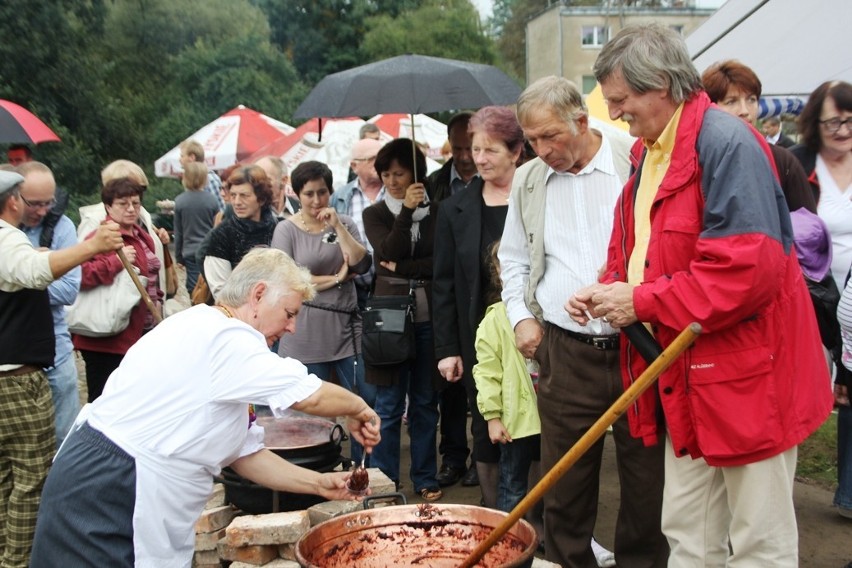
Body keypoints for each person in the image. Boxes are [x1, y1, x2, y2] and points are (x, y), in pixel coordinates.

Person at [568, 23, 834, 566]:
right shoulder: (651, 151)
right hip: (690, 376)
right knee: (689, 531)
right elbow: (643, 242)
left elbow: (745, 273)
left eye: (621, 100)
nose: (615, 113)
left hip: (750, 379)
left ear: (660, 84)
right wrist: (609, 284)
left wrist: (640, 302)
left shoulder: (725, 142)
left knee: (758, 539)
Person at [30, 248, 382, 568]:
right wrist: (360, 408)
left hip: (113, 480)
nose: (291, 327)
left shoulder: (211, 334)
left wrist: (320, 484)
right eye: (289, 314)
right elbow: (309, 395)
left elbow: (244, 453)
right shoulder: (223, 337)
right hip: (109, 488)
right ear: (258, 294)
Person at [499, 75, 655, 568]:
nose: (541, 150)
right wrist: (523, 318)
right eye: (531, 140)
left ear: (582, 122)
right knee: (564, 487)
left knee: (649, 486)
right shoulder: (528, 180)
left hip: (642, 348)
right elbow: (514, 261)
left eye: (551, 137)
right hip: (565, 352)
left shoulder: (639, 159)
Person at [0, 169, 123, 568]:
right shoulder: (5, 237)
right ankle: (18, 563)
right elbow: (34, 272)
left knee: (5, 478)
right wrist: (94, 247)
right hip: (15, 380)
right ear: (13, 200)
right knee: (33, 479)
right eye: (26, 198)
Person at [432, 106, 524, 502]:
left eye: (490, 150)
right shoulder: (455, 209)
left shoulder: (538, 194)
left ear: (516, 151)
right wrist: (448, 349)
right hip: (480, 336)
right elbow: (445, 283)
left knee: (535, 425)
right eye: (475, 149)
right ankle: (494, 515)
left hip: (534, 329)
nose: (478, 159)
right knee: (486, 420)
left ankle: (536, 517)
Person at [270, 160, 375, 465]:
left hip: (346, 326)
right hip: (304, 330)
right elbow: (286, 276)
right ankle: (312, 471)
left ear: (331, 192)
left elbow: (360, 263)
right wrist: (336, 279)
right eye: (309, 194)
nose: (317, 201)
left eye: (322, 193)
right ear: (297, 195)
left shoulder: (343, 222)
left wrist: (338, 227)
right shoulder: (285, 229)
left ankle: (365, 468)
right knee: (303, 409)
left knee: (364, 400)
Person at [363, 138, 442, 502]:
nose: (392, 181)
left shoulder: (437, 212)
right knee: (390, 404)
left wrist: (406, 269)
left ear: (416, 173)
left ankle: (425, 477)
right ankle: (384, 480)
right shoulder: (375, 214)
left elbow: (439, 262)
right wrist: (406, 212)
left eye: (399, 173)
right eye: (386, 174)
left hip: (428, 317)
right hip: (390, 319)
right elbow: (387, 252)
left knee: (425, 402)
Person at [790, 80, 852, 523]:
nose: (843, 130)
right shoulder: (798, 163)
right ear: (816, 123)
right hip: (812, 296)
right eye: (834, 121)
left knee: (850, 389)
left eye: (850, 121)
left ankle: (847, 491)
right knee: (810, 381)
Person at [74, 177, 165, 402]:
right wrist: (115, 262)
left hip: (140, 332)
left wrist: (160, 302)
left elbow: (152, 275)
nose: (131, 209)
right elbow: (79, 275)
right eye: (123, 204)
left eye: (135, 203)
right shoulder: (100, 237)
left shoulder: (141, 234)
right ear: (108, 206)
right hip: (107, 338)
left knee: (136, 398)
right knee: (104, 400)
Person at [427, 110, 480, 488]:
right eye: (458, 148)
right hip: (445, 289)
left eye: (469, 147)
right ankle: (453, 456)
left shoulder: (491, 180)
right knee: (449, 386)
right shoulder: (432, 185)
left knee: (480, 386)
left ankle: (482, 457)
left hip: (478, 290)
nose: (464, 156)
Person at [472, 240, 542, 525]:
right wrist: (493, 417)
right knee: (512, 484)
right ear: (499, 272)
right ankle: (507, 538)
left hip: (550, 416)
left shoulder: (549, 310)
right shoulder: (494, 321)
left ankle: (543, 533)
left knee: (554, 480)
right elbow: (486, 373)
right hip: (516, 423)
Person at [16, 161, 81, 446]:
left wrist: (19, 278)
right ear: (14, 197)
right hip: (13, 355)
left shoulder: (63, 226)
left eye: (48, 202)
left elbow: (68, 290)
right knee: (21, 442)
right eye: (34, 204)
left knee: (65, 438)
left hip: (57, 351)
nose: (42, 211)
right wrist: (39, 268)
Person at [700, 60, 816, 214]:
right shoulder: (699, 162)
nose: (744, 110)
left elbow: (809, 227)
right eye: (731, 101)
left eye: (751, 100)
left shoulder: (782, 162)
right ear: (711, 108)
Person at [202, 165, 277, 299]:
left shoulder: (279, 228)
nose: (236, 202)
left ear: (262, 199)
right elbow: (221, 292)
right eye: (233, 195)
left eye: (244, 196)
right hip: (238, 314)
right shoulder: (221, 235)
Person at [332, 137, 386, 309]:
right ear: (354, 166)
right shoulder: (340, 198)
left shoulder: (398, 192)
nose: (379, 163)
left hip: (393, 288)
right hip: (355, 291)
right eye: (371, 159)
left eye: (381, 157)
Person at [174, 161, 219, 295]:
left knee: (194, 288)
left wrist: (178, 257)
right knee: (209, 287)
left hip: (190, 252)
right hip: (209, 250)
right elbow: (216, 227)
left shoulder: (180, 201)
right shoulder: (212, 200)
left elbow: (179, 232)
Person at [180, 139, 225, 211]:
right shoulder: (193, 179)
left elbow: (218, 210)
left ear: (192, 157)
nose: (180, 159)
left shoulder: (209, 178)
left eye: (182, 156)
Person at [255, 155, 300, 220]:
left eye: (265, 179)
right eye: (255, 179)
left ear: (283, 180)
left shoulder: (303, 209)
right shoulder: (250, 213)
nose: (258, 184)